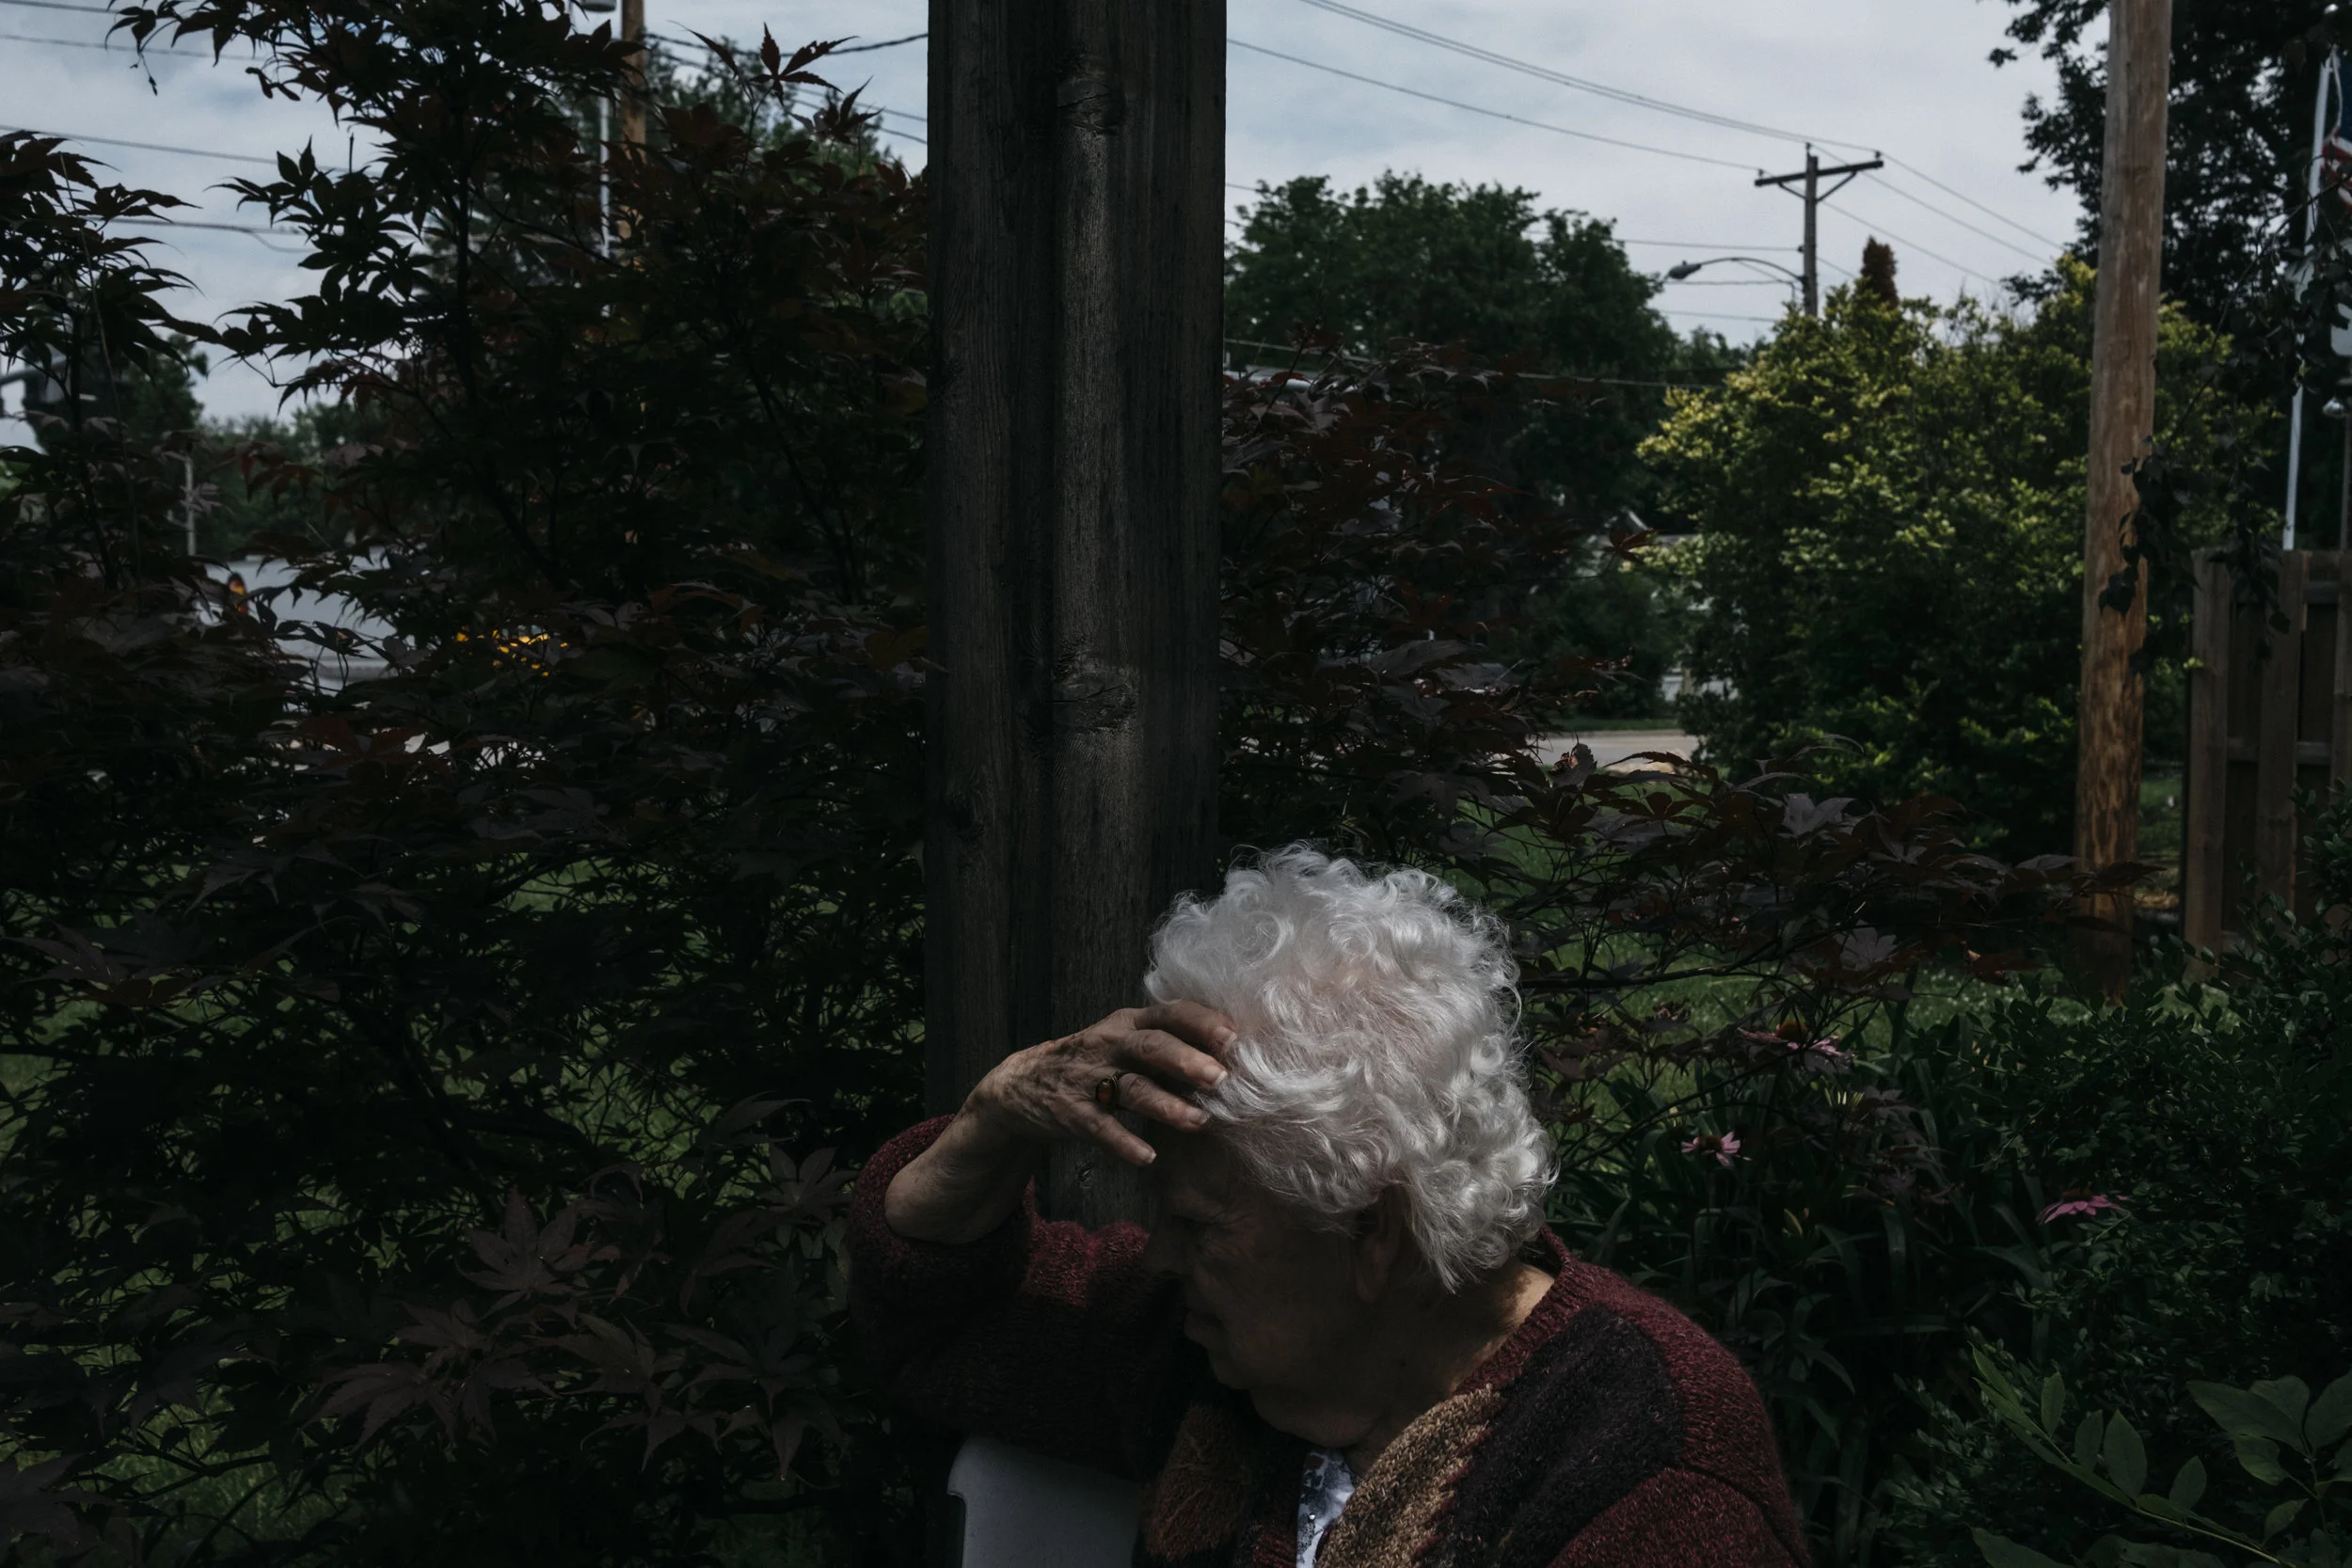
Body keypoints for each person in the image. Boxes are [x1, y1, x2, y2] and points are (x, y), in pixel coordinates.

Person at [850, 847, 1807, 1567]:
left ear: (1369, 1228)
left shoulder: (1647, 1463)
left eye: (1198, 1223)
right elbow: (937, 1316)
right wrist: (992, 1117)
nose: (1158, 1258)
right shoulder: (1208, 1357)